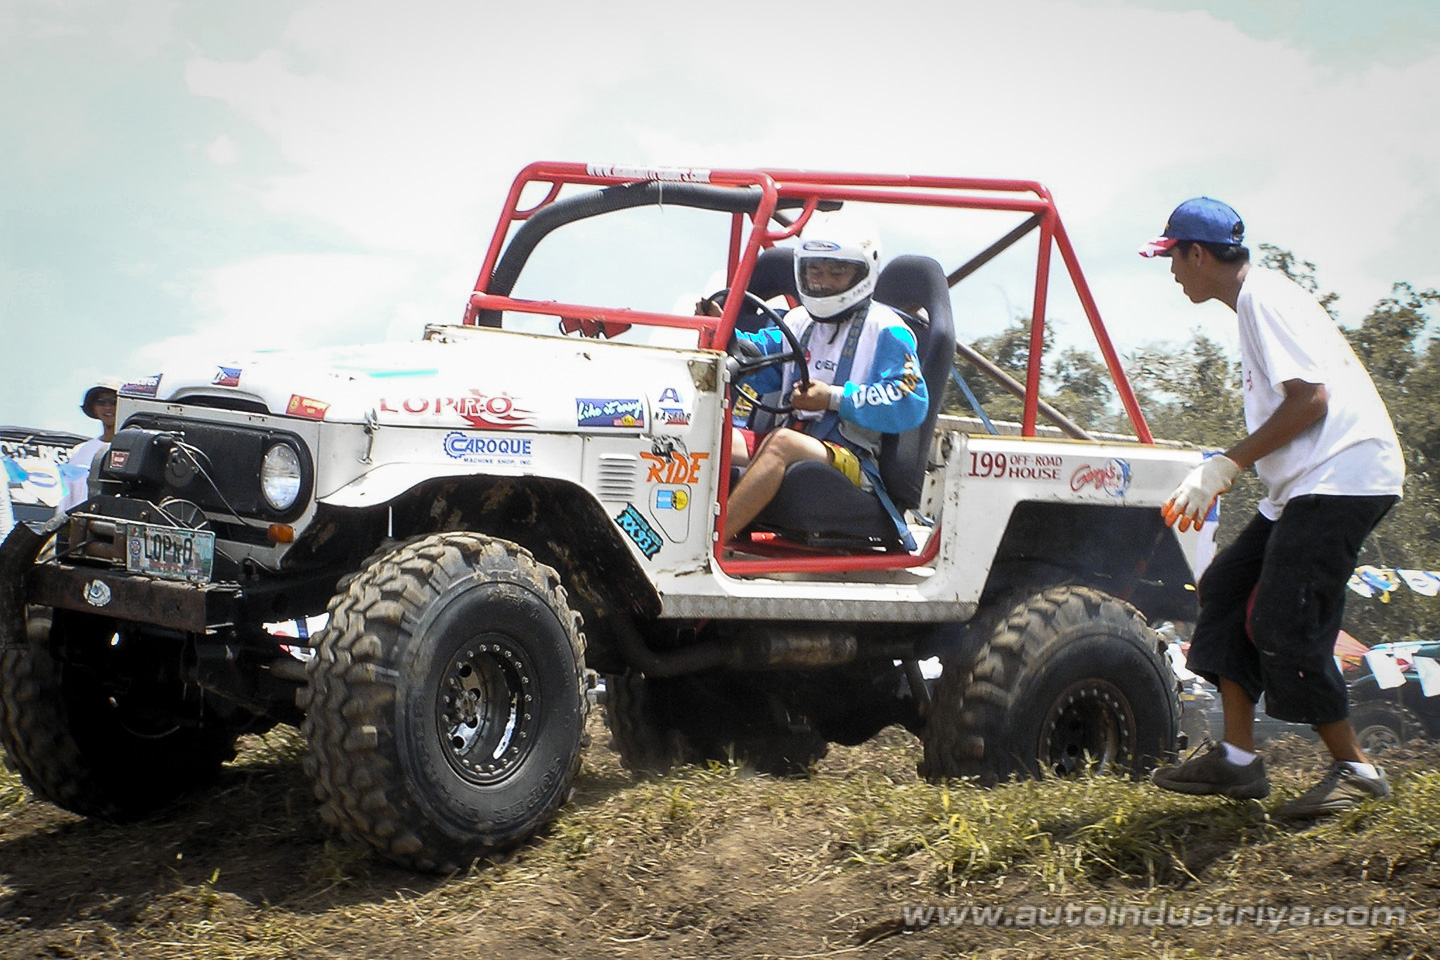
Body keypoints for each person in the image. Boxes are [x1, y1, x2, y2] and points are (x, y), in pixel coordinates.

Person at [1141, 197, 1404, 817]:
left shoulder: (1264, 299)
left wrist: (1225, 464)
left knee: (1287, 622)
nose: (1172, 271)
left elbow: (1309, 400)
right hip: (1306, 486)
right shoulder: (1256, 303)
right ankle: (1237, 761)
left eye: (1171, 258)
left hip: (1344, 479)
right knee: (1227, 591)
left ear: (1197, 253)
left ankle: (1357, 773)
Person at [722, 216, 928, 542]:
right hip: (798, 440)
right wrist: (716, 331)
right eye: (814, 270)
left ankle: (708, 549)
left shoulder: (887, 329)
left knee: (781, 443)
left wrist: (833, 398)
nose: (823, 281)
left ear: (863, 272)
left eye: (837, 271)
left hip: (854, 461)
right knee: (711, 435)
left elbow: (908, 401)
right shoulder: (799, 321)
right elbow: (756, 353)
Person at [56, 377, 121, 515]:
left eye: (114, 402)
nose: (107, 407)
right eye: (101, 402)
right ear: (94, 407)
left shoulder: (133, 450)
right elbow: (66, 495)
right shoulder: (79, 451)